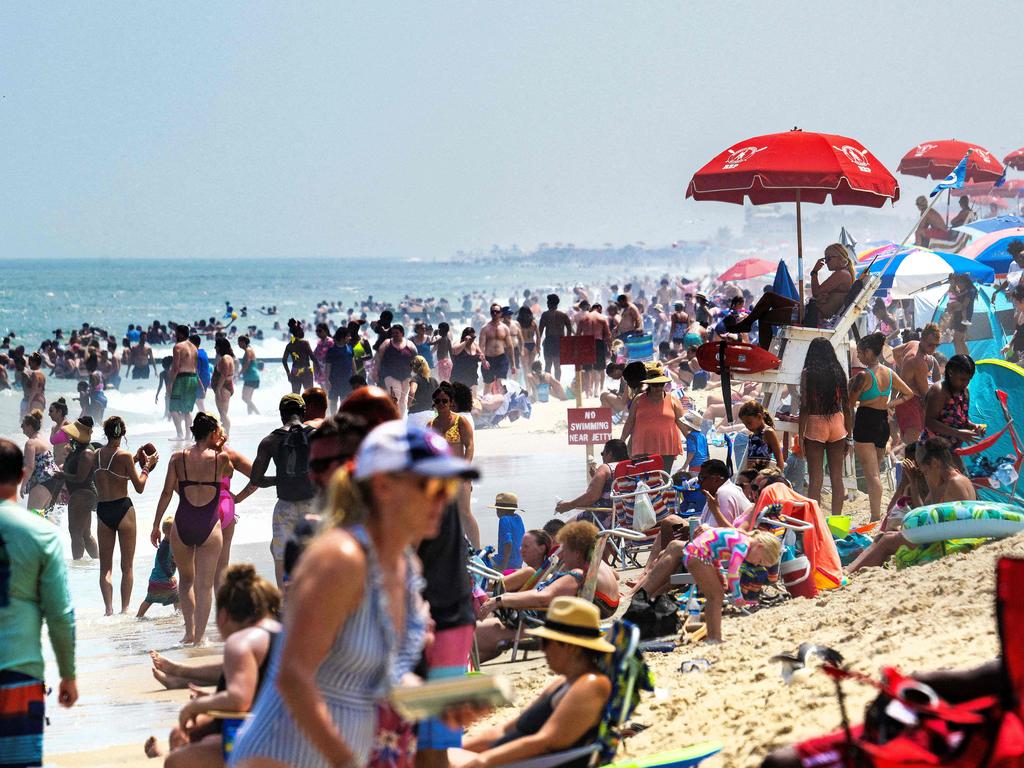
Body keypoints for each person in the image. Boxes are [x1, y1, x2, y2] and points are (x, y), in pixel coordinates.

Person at [230, 422, 474, 768]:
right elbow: (293, 676)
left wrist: (440, 701)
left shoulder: (405, 568)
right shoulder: (339, 559)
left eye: (447, 486)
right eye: (429, 485)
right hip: (283, 757)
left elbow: (379, 679)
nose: (442, 499)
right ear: (383, 486)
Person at [448, 597, 614, 768]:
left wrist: (482, 762)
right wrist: (459, 747)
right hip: (510, 760)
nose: (542, 649)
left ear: (570, 647)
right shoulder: (563, 683)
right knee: (436, 753)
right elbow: (506, 730)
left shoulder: (590, 686)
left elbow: (545, 742)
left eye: (546, 642)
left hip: (529, 763)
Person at [155, 565, 281, 767]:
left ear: (223, 615)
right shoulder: (283, 633)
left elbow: (240, 699)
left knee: (176, 761)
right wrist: (214, 699)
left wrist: (195, 706)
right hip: (290, 733)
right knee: (182, 734)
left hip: (266, 743)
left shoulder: (240, 642)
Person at [0, 439, 78, 768]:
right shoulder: (42, 535)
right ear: (22, 476)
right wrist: (68, 675)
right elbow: (60, 615)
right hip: (20, 676)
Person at [474, 521, 620, 662]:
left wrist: (500, 600)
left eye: (565, 550)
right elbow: (616, 576)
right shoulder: (593, 568)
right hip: (532, 622)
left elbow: (543, 597)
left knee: (468, 634)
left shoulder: (576, 575)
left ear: (576, 553)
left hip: (528, 625)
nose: (561, 556)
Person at [151, 412, 232, 645]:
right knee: (205, 585)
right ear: (214, 433)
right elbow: (229, 474)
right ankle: (200, 637)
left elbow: (167, 492)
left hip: (183, 521)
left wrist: (156, 525)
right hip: (209, 524)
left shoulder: (178, 458)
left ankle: (188, 632)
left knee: (186, 581)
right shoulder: (221, 459)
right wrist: (220, 445)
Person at [846, 438, 976, 574]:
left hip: (949, 541)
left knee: (886, 540)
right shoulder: (947, 481)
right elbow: (925, 510)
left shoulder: (955, 483)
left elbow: (952, 525)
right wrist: (914, 481)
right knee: (882, 537)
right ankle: (849, 570)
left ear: (936, 463)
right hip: (942, 535)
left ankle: (848, 573)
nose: (926, 476)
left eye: (926, 472)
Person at [239, 394, 316, 586]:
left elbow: (256, 480)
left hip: (284, 508)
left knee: (281, 556)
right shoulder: (317, 436)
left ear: (282, 415)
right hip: (313, 505)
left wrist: (280, 480)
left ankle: (285, 603)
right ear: (303, 412)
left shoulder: (270, 441)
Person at [95, 416, 159, 615]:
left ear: (106, 433)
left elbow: (110, 470)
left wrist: (134, 459)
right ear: (123, 433)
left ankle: (108, 609)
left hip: (103, 510)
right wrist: (147, 466)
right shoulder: (124, 456)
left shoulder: (95, 455)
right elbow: (139, 486)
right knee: (127, 566)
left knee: (105, 568)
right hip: (123, 509)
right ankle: (125, 609)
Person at [849, 333, 915, 521]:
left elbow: (850, 402)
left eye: (861, 353)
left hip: (866, 420)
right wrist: (889, 404)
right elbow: (908, 393)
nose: (859, 357)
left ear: (869, 352)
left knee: (872, 475)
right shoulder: (889, 372)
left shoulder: (864, 375)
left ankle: (875, 516)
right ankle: (877, 513)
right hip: (881, 422)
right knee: (875, 471)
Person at [798, 338, 853, 516]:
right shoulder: (838, 372)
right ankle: (836, 519)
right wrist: (849, 435)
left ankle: (816, 520)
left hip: (815, 423)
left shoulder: (808, 373)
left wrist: (801, 435)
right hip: (838, 422)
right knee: (837, 477)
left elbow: (805, 406)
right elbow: (847, 405)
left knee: (816, 478)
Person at [619, 365, 687, 473]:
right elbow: (630, 422)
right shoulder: (638, 399)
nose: (658, 388)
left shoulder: (673, 400)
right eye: (654, 385)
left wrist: (693, 439)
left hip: (666, 447)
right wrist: (621, 441)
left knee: (664, 478)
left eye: (660, 384)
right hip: (643, 446)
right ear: (649, 384)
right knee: (645, 479)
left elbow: (682, 423)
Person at [554, 438, 629, 528]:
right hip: (625, 518)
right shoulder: (630, 467)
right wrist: (596, 477)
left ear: (610, 454)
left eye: (603, 453)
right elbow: (614, 489)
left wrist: (569, 505)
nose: (603, 457)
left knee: (561, 530)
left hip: (601, 518)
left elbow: (591, 497)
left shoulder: (605, 468)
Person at [922, 354, 984, 455]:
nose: (966, 383)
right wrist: (958, 433)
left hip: (952, 451)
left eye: (969, 379)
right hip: (932, 451)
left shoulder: (965, 392)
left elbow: (961, 421)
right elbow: (929, 422)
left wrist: (974, 427)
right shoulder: (939, 391)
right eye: (962, 379)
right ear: (950, 372)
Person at [59, 417, 100, 560]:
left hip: (83, 494)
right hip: (82, 495)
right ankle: (98, 562)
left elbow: (80, 478)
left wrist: (62, 475)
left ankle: (76, 568)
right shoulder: (79, 449)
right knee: (84, 534)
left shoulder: (86, 453)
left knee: (75, 532)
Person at [893, 323, 940, 444]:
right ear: (922, 340)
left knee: (913, 446)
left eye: (936, 345)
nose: (933, 349)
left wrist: (904, 370)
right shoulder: (918, 361)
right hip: (911, 404)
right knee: (914, 448)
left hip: (907, 402)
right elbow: (925, 395)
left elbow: (894, 351)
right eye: (930, 345)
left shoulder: (912, 344)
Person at [137, 516, 179, 617]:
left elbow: (171, 559)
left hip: (160, 579)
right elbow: (162, 561)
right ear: (168, 533)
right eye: (175, 532)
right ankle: (139, 616)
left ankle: (179, 614)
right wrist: (170, 575)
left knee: (175, 597)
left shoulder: (169, 544)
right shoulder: (164, 546)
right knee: (151, 598)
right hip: (161, 578)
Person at [20, 409, 60, 512]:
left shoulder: (31, 443)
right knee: (45, 517)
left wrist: (22, 486)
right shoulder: (43, 440)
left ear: (29, 426)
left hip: (43, 482)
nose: (21, 427)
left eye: (23, 425)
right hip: (55, 481)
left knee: (32, 517)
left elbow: (30, 467)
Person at [375, 324, 418, 417]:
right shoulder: (387, 343)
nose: (394, 334)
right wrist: (375, 372)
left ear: (402, 333)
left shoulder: (409, 344)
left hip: (406, 375)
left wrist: (416, 373)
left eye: (397, 333)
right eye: (393, 333)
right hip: (390, 374)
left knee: (403, 398)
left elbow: (416, 358)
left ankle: (401, 419)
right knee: (396, 396)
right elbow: (378, 358)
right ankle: (393, 417)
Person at [808, 243, 855, 323]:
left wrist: (814, 272)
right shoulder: (843, 273)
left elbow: (816, 293)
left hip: (816, 316)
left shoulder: (841, 274)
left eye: (828, 258)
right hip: (817, 314)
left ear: (840, 258)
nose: (826, 262)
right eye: (825, 259)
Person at [168, 325, 200, 440]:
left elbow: (176, 368)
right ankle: (188, 435)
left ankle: (180, 434)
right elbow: (196, 368)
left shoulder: (178, 347)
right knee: (187, 410)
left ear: (180, 334)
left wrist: (170, 383)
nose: (174, 335)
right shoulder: (194, 347)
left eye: (176, 333)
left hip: (182, 379)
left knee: (173, 407)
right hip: (193, 378)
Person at [737, 400, 783, 471]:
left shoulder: (768, 432)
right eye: (745, 424)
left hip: (763, 477)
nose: (747, 427)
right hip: (751, 477)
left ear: (759, 417)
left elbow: (779, 457)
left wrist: (778, 475)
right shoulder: (752, 435)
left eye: (749, 423)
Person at [480, 303, 516, 393]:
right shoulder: (485, 328)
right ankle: (487, 405)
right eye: (493, 312)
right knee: (488, 384)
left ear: (501, 313)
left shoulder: (505, 328)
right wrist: (484, 361)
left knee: (501, 383)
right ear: (490, 313)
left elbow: (510, 347)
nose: (495, 313)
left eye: (497, 312)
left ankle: (503, 404)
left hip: (501, 358)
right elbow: (481, 347)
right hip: (488, 359)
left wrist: (513, 364)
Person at [538, 294, 573, 378]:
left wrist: (538, 345)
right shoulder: (563, 315)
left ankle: (547, 385)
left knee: (548, 366)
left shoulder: (545, 315)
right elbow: (569, 328)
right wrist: (566, 341)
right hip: (559, 342)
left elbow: (540, 331)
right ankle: (557, 384)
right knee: (557, 366)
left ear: (549, 303)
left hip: (549, 342)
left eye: (547, 302)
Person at [490, 492, 526, 571]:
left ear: (501, 509)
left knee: (481, 561)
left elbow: (508, 543)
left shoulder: (504, 519)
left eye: (497, 509)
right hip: (519, 561)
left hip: (506, 562)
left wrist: (504, 566)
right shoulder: (518, 518)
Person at [324, 326, 356, 414]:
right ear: (342, 337)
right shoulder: (332, 350)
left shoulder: (350, 348)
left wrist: (355, 376)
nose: (350, 338)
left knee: (345, 400)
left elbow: (352, 363)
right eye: (348, 336)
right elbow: (328, 366)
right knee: (333, 400)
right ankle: (333, 417)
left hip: (347, 380)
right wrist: (326, 380)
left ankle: (343, 417)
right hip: (334, 380)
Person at [946, 273, 978, 358]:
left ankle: (960, 360)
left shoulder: (970, 291)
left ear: (964, 282)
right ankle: (968, 359)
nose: (957, 284)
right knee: (961, 340)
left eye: (958, 282)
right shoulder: (964, 290)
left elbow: (964, 305)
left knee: (957, 340)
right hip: (958, 317)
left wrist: (952, 309)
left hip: (963, 318)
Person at [282, 319, 316, 394]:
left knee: (296, 395)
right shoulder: (305, 343)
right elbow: (313, 357)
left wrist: (288, 373)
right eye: (302, 330)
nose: (303, 332)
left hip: (295, 371)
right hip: (306, 371)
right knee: (310, 395)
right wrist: (319, 369)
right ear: (298, 332)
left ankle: (296, 406)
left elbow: (284, 360)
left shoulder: (290, 345)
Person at [212, 337, 236, 436]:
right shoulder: (229, 357)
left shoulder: (225, 358)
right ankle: (224, 434)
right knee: (223, 413)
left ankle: (227, 435)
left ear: (220, 347)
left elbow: (224, 374)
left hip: (223, 387)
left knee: (223, 414)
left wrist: (218, 389)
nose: (214, 348)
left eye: (216, 346)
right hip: (226, 386)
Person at [450, 327, 485, 396]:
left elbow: (481, 355)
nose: (472, 339)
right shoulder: (459, 342)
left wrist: (483, 360)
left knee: (473, 399)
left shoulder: (475, 344)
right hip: (459, 377)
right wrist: (465, 342)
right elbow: (454, 351)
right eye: (471, 337)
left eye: (474, 337)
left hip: (472, 377)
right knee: (457, 399)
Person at [407, 355, 438, 429]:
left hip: (416, 414)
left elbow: (412, 391)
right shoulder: (433, 380)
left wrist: (408, 403)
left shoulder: (415, 379)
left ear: (413, 368)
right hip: (430, 414)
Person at [192, 334, 213, 414]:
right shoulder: (203, 351)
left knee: (199, 402)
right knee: (198, 402)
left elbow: (196, 372)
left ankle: (205, 420)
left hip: (200, 380)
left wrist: (201, 387)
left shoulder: (196, 354)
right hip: (206, 378)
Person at [517, 307, 539, 378]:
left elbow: (517, 337)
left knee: (525, 369)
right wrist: (538, 347)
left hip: (524, 346)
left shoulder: (518, 324)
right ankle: (533, 387)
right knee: (531, 368)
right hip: (533, 345)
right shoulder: (533, 323)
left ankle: (528, 387)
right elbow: (538, 336)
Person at [313, 322, 335, 389]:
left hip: (328, 371)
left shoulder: (330, 342)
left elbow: (333, 356)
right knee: (324, 392)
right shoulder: (319, 342)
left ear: (325, 331)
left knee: (328, 392)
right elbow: (315, 356)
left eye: (320, 331)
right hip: (320, 371)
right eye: (316, 331)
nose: (318, 333)